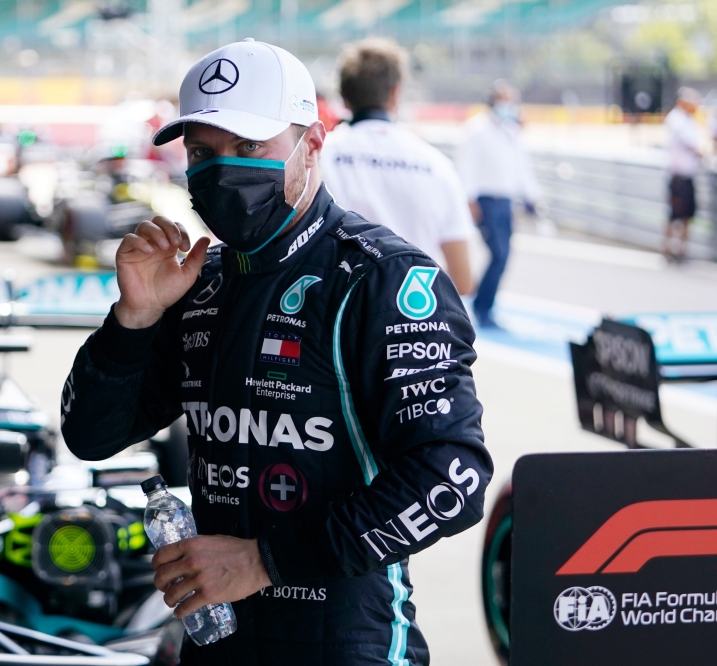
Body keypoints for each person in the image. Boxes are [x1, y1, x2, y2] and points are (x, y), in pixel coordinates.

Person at [61, 39, 491, 665]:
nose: (223, 170)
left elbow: (453, 477)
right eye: (204, 153)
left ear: (312, 145)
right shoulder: (195, 283)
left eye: (249, 147)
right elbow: (89, 434)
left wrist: (265, 560)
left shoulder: (381, 280)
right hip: (218, 641)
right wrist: (133, 318)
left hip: (349, 641)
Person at [321, 38, 474, 295]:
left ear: (344, 98)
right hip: (414, 319)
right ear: (395, 94)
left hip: (334, 315)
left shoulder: (317, 156)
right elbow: (463, 280)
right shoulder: (437, 165)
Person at [455, 80, 540, 328]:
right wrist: (469, 200)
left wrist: (531, 197)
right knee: (498, 253)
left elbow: (521, 167)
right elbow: (466, 167)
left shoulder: (510, 131)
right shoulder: (476, 130)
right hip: (485, 201)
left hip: (506, 202)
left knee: (503, 256)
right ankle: (482, 307)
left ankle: (484, 302)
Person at [664, 87, 703, 263]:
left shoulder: (688, 120)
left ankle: (680, 249)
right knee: (675, 214)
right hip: (678, 175)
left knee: (687, 215)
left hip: (686, 174)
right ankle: (669, 248)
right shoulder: (677, 119)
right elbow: (690, 144)